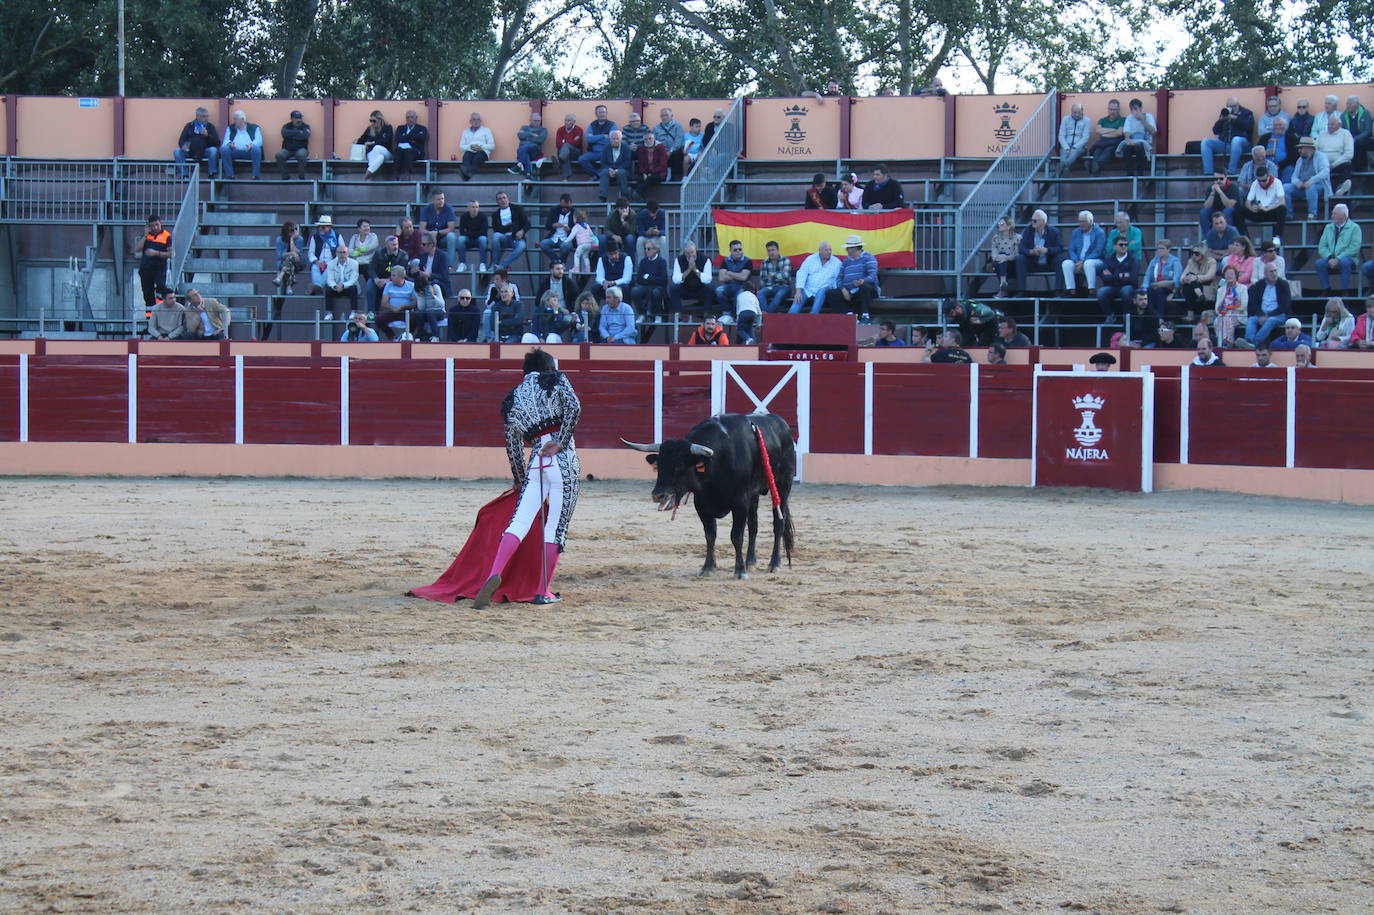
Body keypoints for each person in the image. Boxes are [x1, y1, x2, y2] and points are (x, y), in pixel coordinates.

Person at [463, 349, 581, 607]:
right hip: (562, 461)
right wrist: (560, 442)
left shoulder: (513, 398)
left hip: (536, 461)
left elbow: (513, 447)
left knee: (518, 523)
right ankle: (543, 591)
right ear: (548, 367)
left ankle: (495, 571)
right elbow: (574, 407)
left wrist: (519, 479)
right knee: (555, 528)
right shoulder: (556, 380)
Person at [826, 234, 879, 317]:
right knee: (831, 293)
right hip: (849, 291)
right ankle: (849, 314)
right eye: (848, 249)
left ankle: (865, 315)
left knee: (864, 288)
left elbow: (872, 275)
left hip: (865, 289)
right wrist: (843, 290)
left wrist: (863, 281)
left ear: (857, 248)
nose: (849, 252)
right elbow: (839, 278)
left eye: (850, 250)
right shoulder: (846, 261)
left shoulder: (868, 258)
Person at [1314, 204, 1362, 294]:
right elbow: (1322, 246)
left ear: (1343, 216)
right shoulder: (1328, 227)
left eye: (1335, 214)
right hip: (1331, 258)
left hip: (1348, 259)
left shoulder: (1355, 228)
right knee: (1319, 263)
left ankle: (1344, 290)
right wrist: (1330, 258)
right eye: (1332, 214)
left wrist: (1338, 258)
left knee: (1344, 262)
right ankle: (1326, 289)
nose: (1332, 216)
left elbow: (1354, 247)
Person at [410, 234, 451, 340]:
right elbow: (421, 273)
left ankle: (435, 336)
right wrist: (415, 272)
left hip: (438, 284)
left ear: (432, 244)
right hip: (425, 285)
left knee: (434, 283)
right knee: (419, 312)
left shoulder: (442, 256)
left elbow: (444, 276)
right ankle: (421, 335)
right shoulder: (423, 256)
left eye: (424, 244)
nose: (422, 246)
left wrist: (428, 275)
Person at [1201, 97, 1255, 176]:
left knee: (1236, 140)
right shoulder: (1225, 113)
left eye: (1234, 106)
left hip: (1243, 144)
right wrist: (1221, 120)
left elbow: (1249, 127)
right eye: (1229, 106)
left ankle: (1231, 172)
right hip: (1226, 144)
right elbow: (1215, 131)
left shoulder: (1247, 113)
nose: (1231, 108)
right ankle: (1208, 172)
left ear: (1238, 105)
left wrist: (1235, 118)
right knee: (1206, 142)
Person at [1244, 261, 1290, 347]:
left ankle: (1254, 344)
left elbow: (1284, 306)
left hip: (1278, 314)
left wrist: (1268, 316)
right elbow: (1253, 303)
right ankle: (1248, 340)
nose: (1274, 274)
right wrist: (1262, 315)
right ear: (1265, 274)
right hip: (1262, 313)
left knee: (1270, 321)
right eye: (1271, 271)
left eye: (1275, 271)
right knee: (1251, 320)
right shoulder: (1259, 285)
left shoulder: (1283, 284)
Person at [1284, 137, 1331, 221]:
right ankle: (1289, 214)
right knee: (1285, 188)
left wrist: (1311, 181)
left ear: (1309, 148)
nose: (1299, 150)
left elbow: (1325, 172)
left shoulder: (1321, 157)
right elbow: (1294, 176)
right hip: (1302, 186)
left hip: (1319, 186)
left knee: (1311, 187)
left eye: (1301, 148)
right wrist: (1297, 182)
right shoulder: (1300, 160)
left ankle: (1312, 214)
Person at [1234, 164, 1286, 238]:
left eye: (1264, 180)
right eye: (1259, 181)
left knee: (1282, 209)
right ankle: (1245, 236)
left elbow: (1282, 202)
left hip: (1272, 211)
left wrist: (1267, 209)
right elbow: (1247, 202)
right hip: (1260, 211)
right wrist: (1251, 208)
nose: (1261, 183)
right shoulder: (1255, 183)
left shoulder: (1277, 182)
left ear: (1268, 176)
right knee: (1239, 210)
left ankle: (1276, 237)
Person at [1016, 209, 1063, 291]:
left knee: (1060, 259)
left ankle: (1058, 291)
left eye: (1035, 221)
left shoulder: (1054, 232)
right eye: (1031, 220)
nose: (1032, 222)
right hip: (1033, 263)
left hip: (1048, 263)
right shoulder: (1028, 230)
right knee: (1020, 259)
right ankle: (1021, 291)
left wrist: (1047, 250)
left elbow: (1059, 248)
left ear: (1043, 222)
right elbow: (1021, 248)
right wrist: (1031, 252)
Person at [133, 213, 173, 308]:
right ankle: (149, 317)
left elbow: (171, 254)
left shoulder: (167, 236)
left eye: (157, 225)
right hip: (145, 269)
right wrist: (145, 236)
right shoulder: (146, 236)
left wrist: (156, 253)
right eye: (152, 225)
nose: (155, 227)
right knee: (147, 294)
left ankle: (160, 311)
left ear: (161, 224)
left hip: (159, 268)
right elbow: (137, 249)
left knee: (160, 289)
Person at [1061, 210, 1105, 295]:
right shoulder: (1076, 232)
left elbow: (1098, 251)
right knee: (1066, 263)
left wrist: (1084, 261)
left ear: (1091, 222)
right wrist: (1076, 261)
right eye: (1080, 221)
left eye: (1084, 221)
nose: (1081, 224)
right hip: (1078, 261)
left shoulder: (1099, 232)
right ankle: (1071, 289)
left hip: (1095, 260)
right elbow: (1071, 249)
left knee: (1088, 263)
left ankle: (1091, 289)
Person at [790, 241, 841, 314]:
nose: (829, 252)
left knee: (822, 290)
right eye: (826, 250)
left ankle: (813, 316)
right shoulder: (811, 259)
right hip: (808, 290)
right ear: (820, 250)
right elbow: (802, 273)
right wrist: (798, 292)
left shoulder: (836, 262)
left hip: (824, 291)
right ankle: (788, 321)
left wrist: (832, 289)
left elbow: (838, 279)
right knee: (793, 310)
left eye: (830, 250)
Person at [1096, 235, 1138, 323]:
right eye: (1121, 244)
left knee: (1126, 291)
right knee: (1101, 292)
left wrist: (1114, 276)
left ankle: (1126, 316)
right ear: (1114, 246)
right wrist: (1122, 275)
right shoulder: (1108, 259)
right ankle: (1110, 316)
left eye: (1126, 245)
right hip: (1112, 287)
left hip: (1128, 286)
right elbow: (1104, 278)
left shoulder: (1133, 259)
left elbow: (1133, 278)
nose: (1124, 246)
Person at [1315, 113, 1355, 197]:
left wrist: (1334, 164)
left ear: (1339, 125)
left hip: (1338, 163)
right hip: (1323, 163)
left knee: (1347, 165)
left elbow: (1349, 154)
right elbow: (1315, 150)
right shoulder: (1322, 134)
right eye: (1328, 124)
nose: (1329, 126)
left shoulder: (1346, 134)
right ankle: (1333, 192)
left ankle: (1341, 188)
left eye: (1332, 124)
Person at [173, 107, 220, 178]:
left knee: (213, 150)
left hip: (204, 151)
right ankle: (184, 174)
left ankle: (211, 173)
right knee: (177, 151)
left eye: (207, 116)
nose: (206, 118)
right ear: (197, 116)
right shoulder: (189, 126)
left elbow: (217, 142)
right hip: (190, 151)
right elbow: (181, 140)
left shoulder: (210, 127)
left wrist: (207, 135)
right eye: (204, 116)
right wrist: (183, 146)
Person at [376, 264, 420, 339]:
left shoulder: (411, 285)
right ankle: (392, 336)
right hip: (392, 311)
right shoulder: (388, 285)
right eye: (391, 275)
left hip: (406, 312)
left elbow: (415, 303)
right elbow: (384, 302)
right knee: (378, 319)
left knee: (415, 319)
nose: (391, 278)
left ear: (401, 277)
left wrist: (403, 307)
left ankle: (406, 336)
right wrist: (393, 308)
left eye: (394, 276)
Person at [218, 109, 264, 180]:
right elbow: (225, 141)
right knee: (224, 149)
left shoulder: (254, 128)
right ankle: (229, 175)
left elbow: (259, 141)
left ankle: (255, 175)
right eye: (234, 119)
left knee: (256, 149)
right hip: (235, 151)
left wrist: (251, 145)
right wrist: (230, 144)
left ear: (243, 120)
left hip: (249, 152)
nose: (234, 121)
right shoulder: (230, 128)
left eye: (236, 119)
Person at [490, 190, 530, 270]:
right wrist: (508, 226)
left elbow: (527, 224)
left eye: (504, 198)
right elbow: (496, 229)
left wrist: (521, 231)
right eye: (500, 199)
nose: (503, 200)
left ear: (508, 199)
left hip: (516, 237)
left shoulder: (517, 209)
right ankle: (494, 264)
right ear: (497, 202)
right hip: (503, 237)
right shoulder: (495, 214)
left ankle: (502, 266)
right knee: (495, 236)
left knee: (522, 246)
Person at [368, 234, 408, 312]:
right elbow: (371, 269)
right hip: (379, 279)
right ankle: (371, 312)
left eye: (397, 244)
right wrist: (376, 279)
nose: (396, 247)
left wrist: (387, 280)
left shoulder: (403, 255)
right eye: (393, 245)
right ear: (386, 245)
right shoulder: (378, 253)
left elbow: (404, 273)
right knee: (370, 284)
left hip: (394, 280)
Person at [1143, 239, 1181, 318]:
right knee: (1149, 290)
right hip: (1155, 286)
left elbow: (1176, 280)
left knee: (1159, 291)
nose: (1159, 251)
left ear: (1168, 250)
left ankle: (1160, 317)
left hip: (1168, 287)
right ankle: (1150, 316)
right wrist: (1144, 287)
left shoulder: (1175, 261)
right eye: (1158, 248)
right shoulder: (1155, 260)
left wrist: (1173, 293)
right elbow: (1147, 275)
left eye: (1162, 249)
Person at [419, 191, 459, 267]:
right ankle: (424, 265)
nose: (441, 201)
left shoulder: (449, 209)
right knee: (422, 237)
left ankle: (449, 265)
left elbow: (451, 229)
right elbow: (422, 229)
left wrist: (437, 232)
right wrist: (430, 233)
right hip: (430, 237)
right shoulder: (426, 209)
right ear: (433, 200)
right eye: (438, 199)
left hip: (443, 237)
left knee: (452, 236)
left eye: (442, 199)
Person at [713, 239, 753, 314]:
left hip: (743, 286)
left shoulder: (748, 261)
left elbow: (743, 277)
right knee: (719, 290)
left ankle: (735, 314)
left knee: (739, 295)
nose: (738, 251)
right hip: (729, 285)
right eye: (735, 250)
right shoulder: (725, 261)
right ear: (730, 251)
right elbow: (721, 278)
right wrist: (738, 275)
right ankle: (726, 312)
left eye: (740, 249)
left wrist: (730, 273)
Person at [1117, 98, 1156, 175]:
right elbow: (1126, 130)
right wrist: (1127, 139)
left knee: (1139, 147)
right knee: (1125, 148)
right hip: (1132, 142)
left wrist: (1142, 120)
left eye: (1136, 109)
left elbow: (1153, 131)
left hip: (1146, 144)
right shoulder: (1129, 118)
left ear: (1140, 108)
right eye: (1132, 109)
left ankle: (1140, 173)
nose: (1134, 111)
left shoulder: (1148, 116)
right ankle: (1129, 173)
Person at [670, 241, 711, 313]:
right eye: (687, 253)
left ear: (696, 250)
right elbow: (675, 279)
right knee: (673, 288)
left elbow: (708, 279)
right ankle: (678, 315)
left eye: (692, 252)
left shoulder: (705, 259)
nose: (690, 255)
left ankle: (707, 314)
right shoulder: (679, 260)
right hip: (685, 288)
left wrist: (695, 270)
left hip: (700, 288)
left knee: (710, 288)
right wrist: (689, 270)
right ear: (684, 253)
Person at [578, 104, 618, 177]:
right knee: (582, 159)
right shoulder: (592, 124)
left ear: (606, 113)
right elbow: (588, 139)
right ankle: (596, 175)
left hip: (608, 152)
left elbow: (612, 140)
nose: (602, 114)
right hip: (594, 153)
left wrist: (594, 138)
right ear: (596, 114)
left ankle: (599, 176)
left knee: (609, 165)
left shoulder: (612, 125)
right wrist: (603, 136)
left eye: (604, 112)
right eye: (600, 112)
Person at [632, 239, 670, 317]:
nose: (646, 251)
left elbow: (663, 280)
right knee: (635, 291)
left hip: (658, 288)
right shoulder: (643, 262)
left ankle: (658, 315)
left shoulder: (661, 262)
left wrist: (648, 277)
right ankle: (642, 314)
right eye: (645, 249)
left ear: (656, 250)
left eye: (648, 249)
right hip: (646, 287)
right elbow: (639, 279)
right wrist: (653, 279)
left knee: (656, 292)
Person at [323, 243, 360, 320]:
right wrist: (335, 286)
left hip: (348, 287)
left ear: (348, 253)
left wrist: (343, 285)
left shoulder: (354, 263)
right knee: (328, 289)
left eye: (344, 252)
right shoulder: (330, 264)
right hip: (336, 287)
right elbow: (330, 279)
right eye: (340, 252)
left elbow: (353, 279)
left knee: (354, 288)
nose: (342, 254)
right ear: (336, 253)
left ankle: (353, 312)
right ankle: (329, 313)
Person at [1212, 264, 1247, 347]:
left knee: (1228, 319)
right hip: (1223, 315)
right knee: (1218, 320)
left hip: (1238, 315)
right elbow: (1217, 309)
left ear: (1236, 276)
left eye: (1231, 274)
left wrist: (1230, 309)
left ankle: (1228, 343)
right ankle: (1221, 342)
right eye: (1227, 274)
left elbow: (1243, 305)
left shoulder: (1243, 288)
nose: (1229, 276)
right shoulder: (1221, 290)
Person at [1087, 99, 1125, 174]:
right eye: (1110, 109)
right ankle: (1095, 173)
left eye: (1115, 109)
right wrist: (1114, 130)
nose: (1112, 111)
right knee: (1097, 153)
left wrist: (1105, 132)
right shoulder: (1103, 120)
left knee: (1104, 154)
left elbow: (1120, 133)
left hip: (1115, 143)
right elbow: (1098, 131)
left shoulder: (1123, 120)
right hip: (1104, 143)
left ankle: (1092, 153)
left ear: (1118, 110)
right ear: (1108, 109)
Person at [1198, 170, 1237, 239]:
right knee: (1203, 212)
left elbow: (1230, 205)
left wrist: (1220, 192)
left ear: (1226, 178)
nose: (1218, 181)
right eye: (1216, 179)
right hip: (1215, 211)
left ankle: (1229, 237)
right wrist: (1212, 193)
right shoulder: (1210, 188)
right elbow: (1207, 206)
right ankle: (1207, 238)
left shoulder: (1233, 187)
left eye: (1221, 179)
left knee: (1227, 211)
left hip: (1231, 212)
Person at [591, 239, 633, 304]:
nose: (614, 256)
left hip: (620, 285)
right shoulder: (601, 259)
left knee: (625, 288)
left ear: (619, 251)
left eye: (615, 253)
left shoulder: (626, 258)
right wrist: (603, 282)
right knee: (594, 288)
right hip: (607, 286)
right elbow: (599, 277)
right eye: (611, 254)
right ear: (607, 254)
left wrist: (613, 283)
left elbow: (627, 279)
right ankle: (596, 312)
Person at [539, 193, 575, 266]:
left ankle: (560, 263)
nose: (564, 209)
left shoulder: (574, 212)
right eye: (563, 207)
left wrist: (570, 230)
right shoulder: (554, 210)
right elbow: (547, 226)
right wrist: (554, 225)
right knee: (543, 244)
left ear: (570, 204)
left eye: (567, 207)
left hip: (567, 238)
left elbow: (578, 228)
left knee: (565, 246)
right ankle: (558, 262)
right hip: (554, 237)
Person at [758, 241, 794, 313]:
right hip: (769, 287)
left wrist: (772, 276)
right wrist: (779, 276)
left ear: (778, 250)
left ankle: (767, 316)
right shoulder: (764, 262)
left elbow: (786, 276)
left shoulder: (785, 260)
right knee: (760, 293)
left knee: (779, 295)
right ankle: (765, 312)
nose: (771, 252)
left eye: (773, 250)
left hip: (784, 287)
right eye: (769, 251)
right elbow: (762, 280)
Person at [307, 214, 340, 293]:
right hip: (319, 262)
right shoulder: (315, 237)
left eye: (323, 227)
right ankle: (319, 286)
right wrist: (317, 262)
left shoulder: (337, 236)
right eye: (320, 227)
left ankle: (317, 287)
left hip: (332, 262)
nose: (321, 228)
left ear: (329, 227)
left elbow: (342, 251)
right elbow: (311, 253)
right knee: (314, 267)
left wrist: (330, 263)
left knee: (330, 268)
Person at [458, 112, 495, 180]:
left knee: (477, 156)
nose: (476, 121)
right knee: (466, 155)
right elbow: (461, 147)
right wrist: (470, 147)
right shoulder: (465, 132)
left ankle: (467, 175)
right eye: (474, 119)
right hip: (470, 152)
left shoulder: (486, 130)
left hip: (482, 153)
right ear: (470, 121)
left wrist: (481, 147)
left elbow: (492, 146)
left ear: (480, 121)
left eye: (478, 119)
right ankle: (469, 174)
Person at [597, 130, 633, 201]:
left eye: (617, 138)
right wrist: (610, 170)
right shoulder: (606, 147)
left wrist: (616, 171)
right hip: (609, 170)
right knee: (604, 173)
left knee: (621, 173)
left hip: (622, 170)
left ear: (621, 139)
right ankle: (603, 197)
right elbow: (603, 162)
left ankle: (624, 197)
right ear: (610, 139)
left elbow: (627, 162)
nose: (616, 140)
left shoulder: (626, 147)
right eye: (614, 139)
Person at [511, 111, 547, 180]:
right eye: (535, 120)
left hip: (535, 151)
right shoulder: (524, 127)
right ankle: (528, 174)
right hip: (525, 152)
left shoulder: (543, 130)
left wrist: (526, 138)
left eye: (539, 120)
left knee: (523, 147)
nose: (537, 122)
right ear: (530, 120)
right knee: (524, 150)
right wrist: (531, 134)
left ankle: (519, 166)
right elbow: (520, 135)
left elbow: (541, 140)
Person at [393, 110, 429, 180]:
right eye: (408, 117)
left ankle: (407, 174)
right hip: (400, 151)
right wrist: (412, 139)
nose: (410, 119)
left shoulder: (422, 128)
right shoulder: (400, 128)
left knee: (408, 151)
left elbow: (422, 138)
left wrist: (405, 136)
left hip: (416, 152)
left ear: (416, 118)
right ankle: (396, 174)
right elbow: (397, 138)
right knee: (397, 151)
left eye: (412, 117)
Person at [1057, 102, 1091, 175]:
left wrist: (1074, 148)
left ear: (1082, 111)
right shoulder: (1065, 119)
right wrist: (1066, 148)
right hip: (1066, 146)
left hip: (1080, 147)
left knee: (1073, 154)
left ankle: (1059, 172)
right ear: (1071, 111)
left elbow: (1085, 137)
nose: (1077, 115)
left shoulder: (1087, 121)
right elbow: (1061, 136)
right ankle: (1065, 168)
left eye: (1079, 112)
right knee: (1062, 159)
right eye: (1075, 112)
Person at [457, 199, 490, 273]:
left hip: (478, 239)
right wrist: (475, 233)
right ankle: (462, 263)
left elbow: (484, 232)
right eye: (473, 207)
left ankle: (482, 264)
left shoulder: (483, 216)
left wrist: (469, 233)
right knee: (461, 239)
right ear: (468, 208)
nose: (475, 209)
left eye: (476, 207)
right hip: (468, 239)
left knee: (483, 239)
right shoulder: (464, 217)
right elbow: (462, 232)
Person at [357, 110, 393, 180]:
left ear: (380, 120)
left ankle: (366, 177)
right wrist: (365, 143)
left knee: (377, 148)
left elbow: (387, 140)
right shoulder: (369, 129)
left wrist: (372, 143)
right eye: (371, 121)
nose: (372, 123)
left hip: (386, 152)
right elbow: (360, 141)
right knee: (380, 157)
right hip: (371, 153)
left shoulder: (387, 128)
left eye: (374, 121)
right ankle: (366, 177)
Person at [275, 110, 310, 180]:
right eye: (296, 118)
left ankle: (301, 176)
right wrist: (298, 132)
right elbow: (284, 134)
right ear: (292, 119)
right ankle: (285, 176)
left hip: (301, 149)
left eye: (300, 118)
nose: (299, 120)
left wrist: (291, 134)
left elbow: (305, 136)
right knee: (278, 154)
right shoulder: (286, 126)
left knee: (301, 154)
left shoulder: (306, 126)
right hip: (287, 150)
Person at [654, 107, 687, 179]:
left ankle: (675, 178)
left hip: (674, 150)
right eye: (662, 116)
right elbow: (654, 141)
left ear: (671, 116)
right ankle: (660, 177)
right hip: (661, 150)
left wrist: (670, 151)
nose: (664, 117)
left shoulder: (678, 126)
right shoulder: (656, 128)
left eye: (666, 115)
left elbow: (679, 141)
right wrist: (663, 151)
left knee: (676, 154)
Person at [634, 132, 668, 199]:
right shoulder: (641, 148)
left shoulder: (661, 147)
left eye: (650, 138)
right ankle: (641, 199)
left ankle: (637, 192)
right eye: (646, 139)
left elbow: (662, 164)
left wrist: (651, 173)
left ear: (654, 139)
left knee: (650, 178)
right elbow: (640, 164)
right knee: (639, 178)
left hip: (659, 173)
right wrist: (644, 173)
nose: (648, 141)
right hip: (646, 172)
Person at [989, 215, 1018, 296]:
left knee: (1002, 259)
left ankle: (1003, 289)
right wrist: (1001, 257)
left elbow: (1016, 254)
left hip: (1013, 263)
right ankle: (1003, 283)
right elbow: (994, 255)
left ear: (1008, 226)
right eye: (999, 223)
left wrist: (1005, 258)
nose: (999, 225)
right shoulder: (995, 238)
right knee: (998, 262)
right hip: (1000, 264)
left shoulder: (1017, 237)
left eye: (1002, 224)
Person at [1343, 94, 1372, 174]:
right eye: (1347, 104)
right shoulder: (1343, 116)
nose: (1348, 106)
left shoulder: (1365, 113)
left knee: (1358, 144)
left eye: (1350, 104)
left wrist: (1355, 139)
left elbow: (1368, 130)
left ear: (1357, 104)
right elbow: (1341, 130)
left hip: (1362, 138)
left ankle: (1360, 168)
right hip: (1348, 138)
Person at [347, 218, 380, 286]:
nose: (367, 228)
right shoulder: (354, 237)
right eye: (364, 226)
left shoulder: (373, 236)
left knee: (369, 274)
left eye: (368, 226)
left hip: (368, 262)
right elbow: (350, 251)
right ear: (359, 228)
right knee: (349, 274)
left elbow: (372, 246)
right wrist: (361, 253)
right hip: (356, 262)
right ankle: (356, 291)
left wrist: (359, 249)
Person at [553, 113, 584, 180]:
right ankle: (565, 178)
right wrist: (571, 140)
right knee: (566, 152)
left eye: (569, 120)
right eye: (565, 120)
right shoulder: (560, 130)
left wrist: (564, 141)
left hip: (575, 152)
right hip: (563, 152)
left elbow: (577, 143)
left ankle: (559, 160)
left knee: (566, 146)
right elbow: (558, 144)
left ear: (574, 122)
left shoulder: (579, 130)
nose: (566, 122)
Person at [635, 199, 665, 263]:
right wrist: (646, 232)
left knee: (664, 239)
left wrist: (659, 232)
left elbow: (665, 230)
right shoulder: (642, 214)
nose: (653, 214)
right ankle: (640, 263)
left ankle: (663, 262)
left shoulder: (663, 213)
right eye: (651, 212)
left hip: (658, 237)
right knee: (639, 240)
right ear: (647, 210)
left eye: (655, 212)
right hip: (646, 236)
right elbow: (639, 230)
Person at [569, 211, 598, 276]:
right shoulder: (586, 225)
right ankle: (588, 269)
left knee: (576, 255)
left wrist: (566, 241)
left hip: (581, 244)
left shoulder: (576, 226)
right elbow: (592, 234)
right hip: (589, 244)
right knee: (585, 256)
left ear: (576, 218)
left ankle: (576, 268)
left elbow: (572, 235)